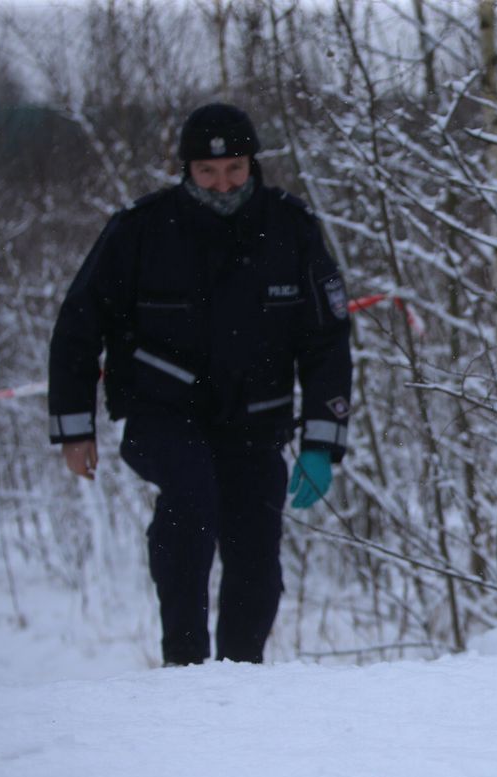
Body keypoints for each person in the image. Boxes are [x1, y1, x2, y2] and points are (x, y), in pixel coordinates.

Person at [48, 103, 352, 666]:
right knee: (192, 500)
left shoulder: (291, 228)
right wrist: (73, 429)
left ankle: (242, 675)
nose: (222, 182)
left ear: (252, 164)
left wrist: (322, 440)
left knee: (256, 554)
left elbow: (326, 340)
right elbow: (78, 325)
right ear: (186, 168)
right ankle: (184, 665)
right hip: (161, 414)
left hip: (256, 421)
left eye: (235, 169)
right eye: (208, 172)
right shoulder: (141, 229)